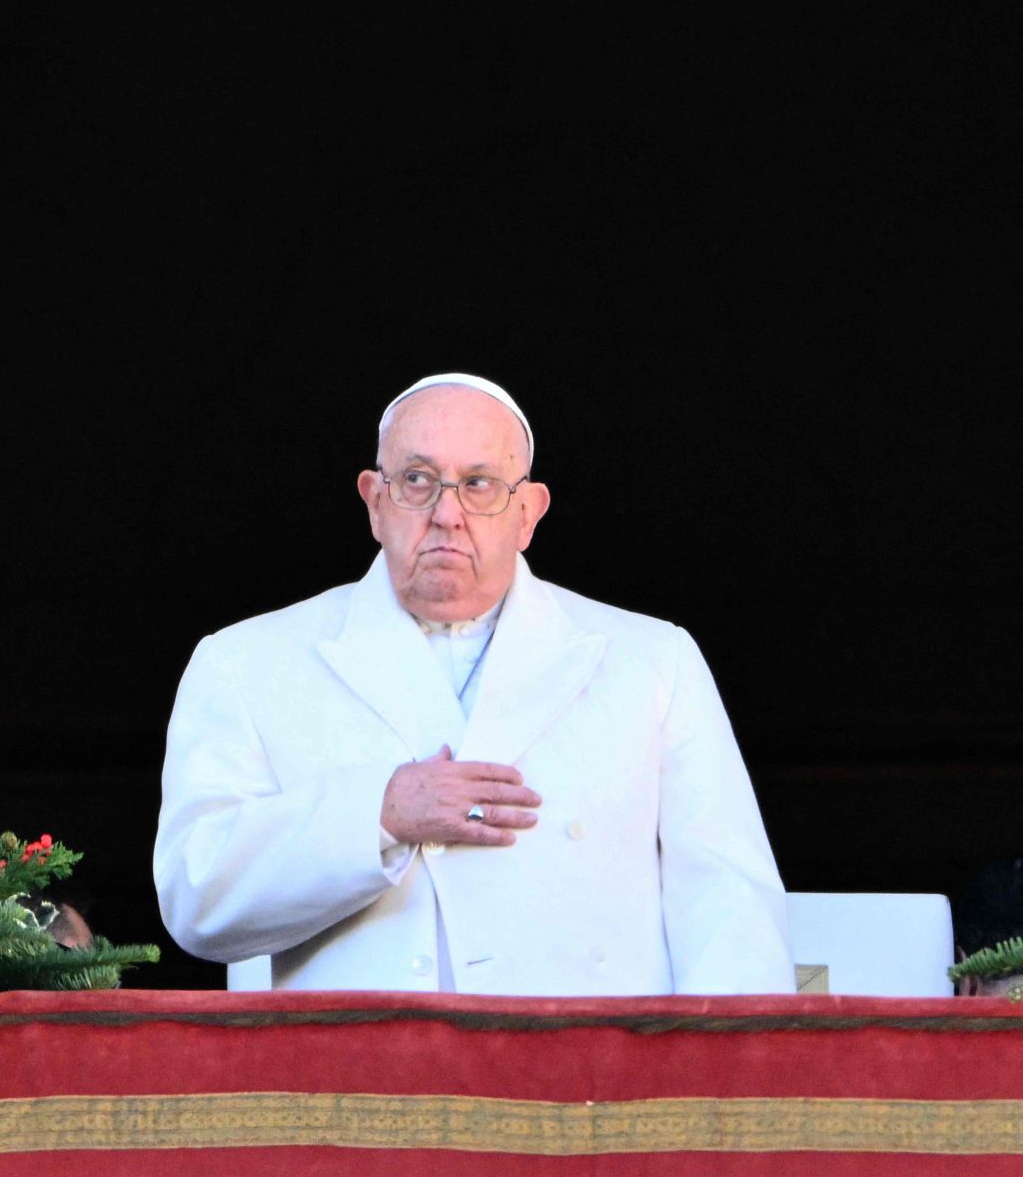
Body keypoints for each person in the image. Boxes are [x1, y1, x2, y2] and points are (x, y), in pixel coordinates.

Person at [153, 373, 795, 995]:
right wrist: (378, 813)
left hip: (591, 1085)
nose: (446, 514)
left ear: (527, 512)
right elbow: (195, 895)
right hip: (359, 1086)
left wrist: (723, 1088)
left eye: (479, 484)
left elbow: (729, 908)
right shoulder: (246, 663)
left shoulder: (654, 659)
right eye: (417, 481)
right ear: (374, 501)